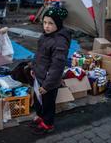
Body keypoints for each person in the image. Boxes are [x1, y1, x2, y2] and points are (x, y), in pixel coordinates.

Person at [30, 7, 71, 135]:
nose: (46, 26)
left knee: (48, 103)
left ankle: (48, 124)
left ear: (57, 24)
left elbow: (57, 66)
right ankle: (40, 117)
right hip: (40, 75)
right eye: (45, 22)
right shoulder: (45, 36)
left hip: (49, 81)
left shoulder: (60, 41)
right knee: (39, 100)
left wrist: (47, 85)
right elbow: (40, 55)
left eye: (50, 23)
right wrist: (33, 67)